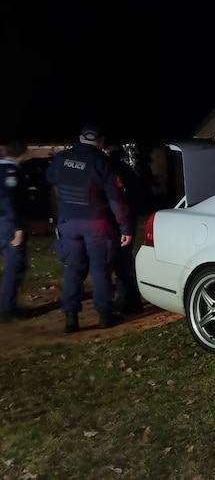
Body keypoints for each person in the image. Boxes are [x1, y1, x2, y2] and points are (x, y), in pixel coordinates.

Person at [45, 125, 134, 333]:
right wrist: (126, 228)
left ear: (80, 138)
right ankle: (105, 315)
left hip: (68, 223)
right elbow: (116, 200)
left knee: (74, 269)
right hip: (97, 224)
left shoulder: (60, 159)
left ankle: (71, 317)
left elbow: (50, 180)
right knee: (100, 270)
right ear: (101, 142)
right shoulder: (103, 163)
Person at [104, 143, 144, 314]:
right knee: (123, 261)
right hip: (125, 219)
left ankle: (129, 300)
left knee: (121, 262)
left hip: (118, 221)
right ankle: (130, 299)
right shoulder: (124, 168)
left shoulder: (111, 170)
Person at [0, 139, 31, 324]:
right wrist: (19, 228)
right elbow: (10, 202)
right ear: (24, 153)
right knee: (14, 266)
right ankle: (6, 310)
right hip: (8, 224)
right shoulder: (11, 173)